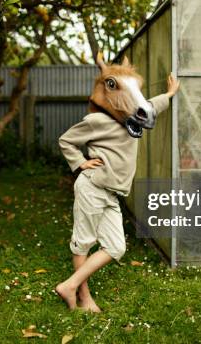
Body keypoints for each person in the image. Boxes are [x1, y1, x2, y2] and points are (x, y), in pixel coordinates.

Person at [55, 72, 179, 312]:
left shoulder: (133, 117)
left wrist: (170, 94)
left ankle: (69, 285)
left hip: (111, 194)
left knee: (116, 247)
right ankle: (84, 298)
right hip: (92, 186)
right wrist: (80, 163)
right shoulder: (97, 121)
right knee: (83, 243)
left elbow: (152, 106)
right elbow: (66, 140)